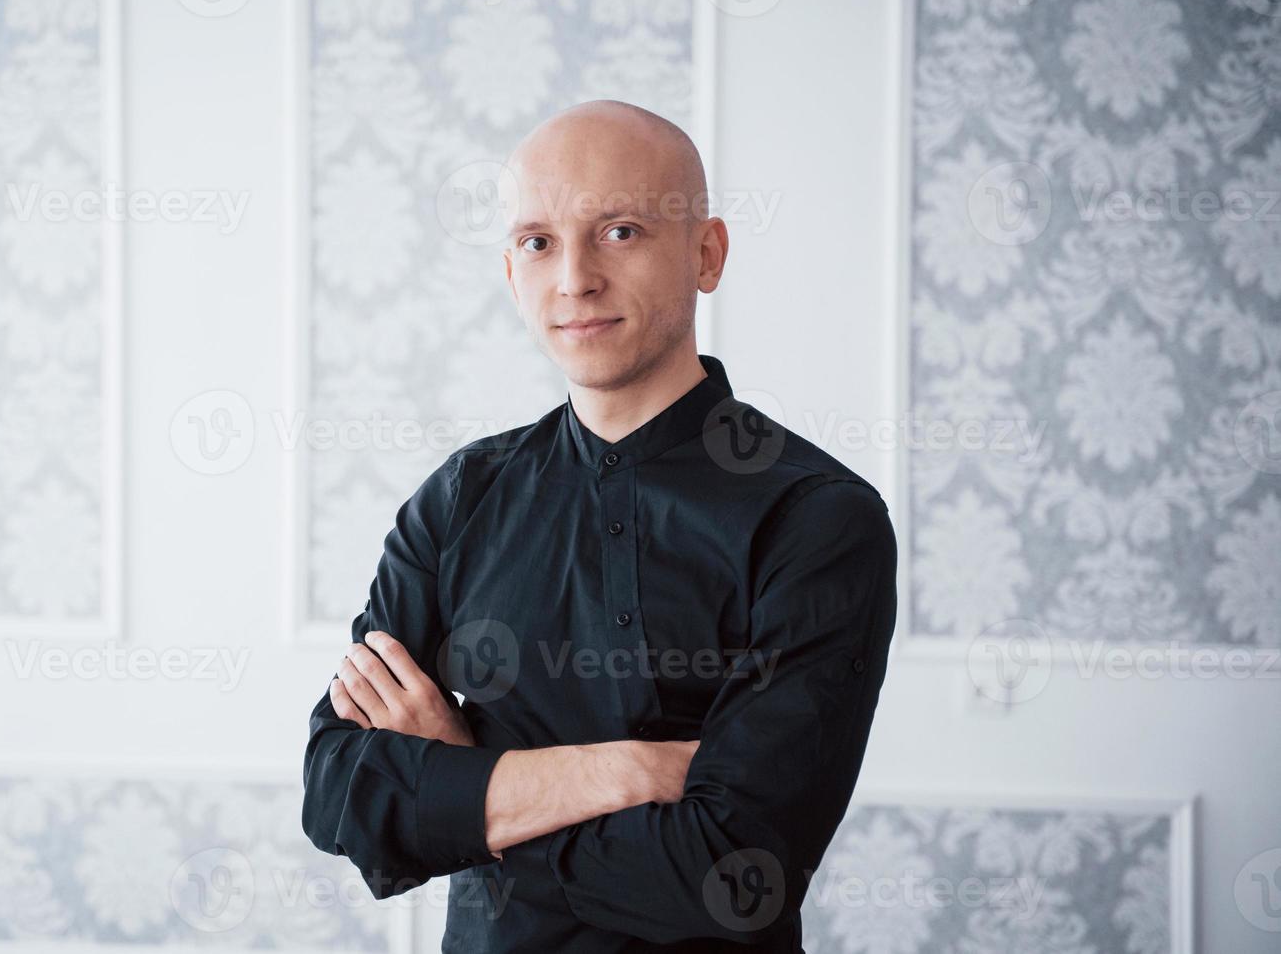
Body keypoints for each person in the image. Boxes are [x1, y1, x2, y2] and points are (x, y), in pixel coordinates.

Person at [302, 99, 898, 953]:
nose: (573, 278)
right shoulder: (461, 495)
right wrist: (623, 773)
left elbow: (732, 872)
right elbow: (338, 792)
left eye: (619, 231)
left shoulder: (816, 518)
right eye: (538, 241)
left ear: (706, 253)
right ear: (510, 271)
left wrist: (465, 786)